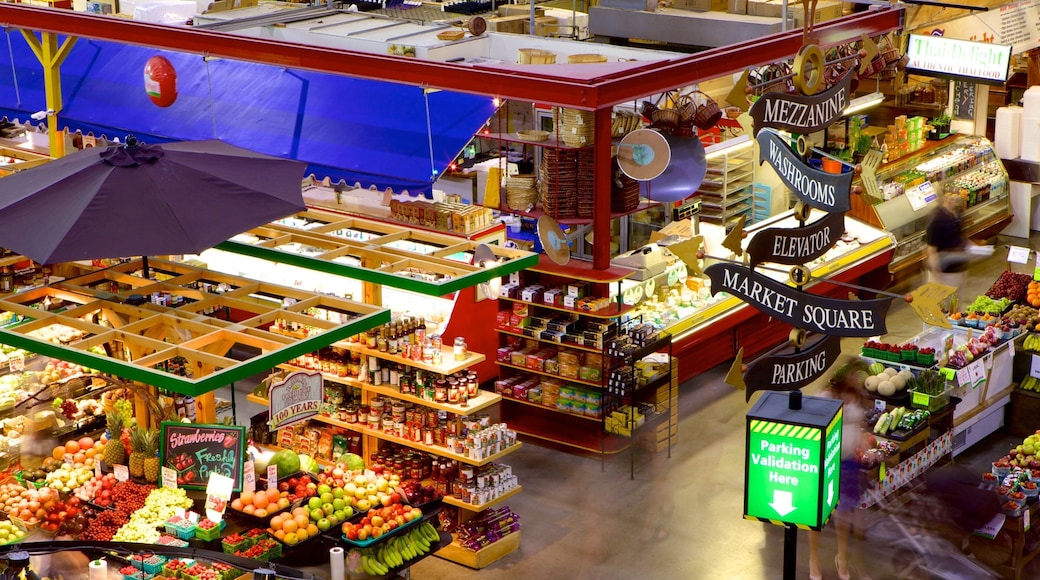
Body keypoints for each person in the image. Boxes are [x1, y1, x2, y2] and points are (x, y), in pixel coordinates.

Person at [808, 360, 871, 580]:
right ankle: (813, 559)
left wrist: (865, 443)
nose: (857, 379)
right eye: (854, 375)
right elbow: (812, 425)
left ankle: (842, 558)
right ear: (844, 376)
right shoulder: (826, 397)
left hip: (848, 464)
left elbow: (858, 425)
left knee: (844, 516)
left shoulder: (856, 396)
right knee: (818, 516)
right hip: (826, 462)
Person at [925, 191, 973, 294]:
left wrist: (972, 246)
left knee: (956, 304)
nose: (955, 201)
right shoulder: (937, 219)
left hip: (959, 268)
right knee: (943, 305)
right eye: (951, 198)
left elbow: (959, 235)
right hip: (945, 273)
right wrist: (937, 274)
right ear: (944, 199)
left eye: (957, 198)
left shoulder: (958, 213)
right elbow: (931, 249)